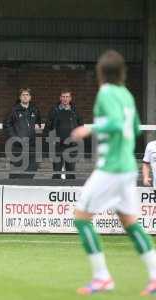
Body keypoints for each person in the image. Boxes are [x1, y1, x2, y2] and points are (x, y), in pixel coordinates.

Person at [71, 50, 156, 296]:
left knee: (81, 217)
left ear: (101, 72)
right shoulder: (126, 94)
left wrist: (89, 129)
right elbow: (135, 128)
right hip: (128, 167)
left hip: (111, 168)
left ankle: (102, 277)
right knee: (130, 223)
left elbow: (118, 123)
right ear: (122, 72)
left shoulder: (107, 93)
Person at [3, 88, 41, 179]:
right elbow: (6, 125)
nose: (25, 97)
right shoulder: (14, 110)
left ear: (30, 97)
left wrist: (37, 126)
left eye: (27, 95)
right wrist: (15, 138)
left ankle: (25, 186)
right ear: (20, 97)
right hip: (17, 146)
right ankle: (12, 188)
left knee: (32, 167)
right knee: (16, 171)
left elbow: (38, 122)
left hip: (31, 145)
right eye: (23, 95)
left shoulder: (34, 110)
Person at [44, 89, 83, 179]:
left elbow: (81, 125)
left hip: (72, 145)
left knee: (70, 172)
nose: (65, 99)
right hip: (57, 146)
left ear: (70, 98)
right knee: (57, 172)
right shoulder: (54, 110)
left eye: (67, 97)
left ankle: (70, 190)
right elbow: (47, 127)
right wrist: (50, 142)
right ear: (60, 98)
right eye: (63, 97)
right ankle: (55, 190)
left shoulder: (75, 111)